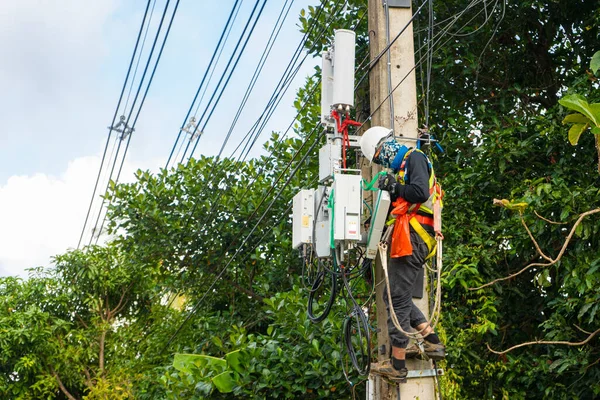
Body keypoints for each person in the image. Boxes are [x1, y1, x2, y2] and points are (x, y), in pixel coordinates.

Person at [360, 126, 445, 380]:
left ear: (387, 145)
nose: (381, 161)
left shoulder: (415, 158)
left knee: (397, 299)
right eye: (378, 160)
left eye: (379, 155)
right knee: (394, 295)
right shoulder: (400, 171)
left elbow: (419, 192)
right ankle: (431, 339)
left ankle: (397, 366)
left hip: (415, 238)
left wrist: (395, 188)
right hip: (407, 238)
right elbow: (397, 209)